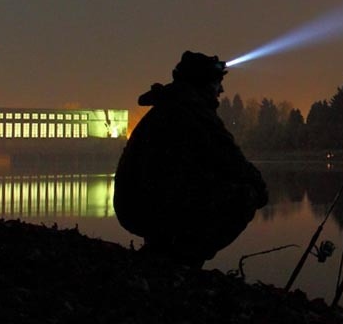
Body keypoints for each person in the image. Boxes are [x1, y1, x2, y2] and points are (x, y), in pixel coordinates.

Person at [114, 51, 268, 267]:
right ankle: (184, 259)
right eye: (217, 83)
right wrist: (260, 190)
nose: (221, 90)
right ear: (203, 84)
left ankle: (162, 248)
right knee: (244, 195)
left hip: (131, 207)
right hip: (148, 208)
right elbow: (232, 160)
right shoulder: (193, 112)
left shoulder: (167, 106)